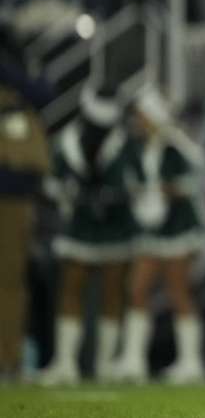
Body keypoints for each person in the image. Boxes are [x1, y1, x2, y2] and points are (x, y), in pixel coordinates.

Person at [40, 87, 138, 385]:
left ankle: (106, 364)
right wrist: (67, 193)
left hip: (114, 225)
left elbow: (136, 179)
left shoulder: (123, 143)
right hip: (80, 224)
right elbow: (52, 181)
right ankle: (66, 362)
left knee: (112, 292)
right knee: (71, 288)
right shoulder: (69, 142)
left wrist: (117, 194)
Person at [114, 89, 205, 384]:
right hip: (151, 228)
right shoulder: (137, 146)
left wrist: (164, 193)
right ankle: (133, 360)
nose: (139, 122)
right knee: (137, 288)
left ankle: (192, 363)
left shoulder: (174, 146)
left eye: (143, 117)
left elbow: (194, 175)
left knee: (178, 291)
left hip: (177, 227)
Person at [0, 29, 54, 381]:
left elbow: (43, 92)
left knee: (10, 280)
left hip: (12, 195)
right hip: (12, 191)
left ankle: (9, 358)